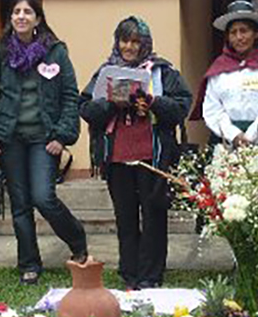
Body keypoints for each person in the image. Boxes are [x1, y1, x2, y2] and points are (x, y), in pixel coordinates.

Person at [0, 0, 88, 284]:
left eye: (28, 12)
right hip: (8, 139)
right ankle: (29, 263)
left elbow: (70, 96)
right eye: (16, 11)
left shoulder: (56, 52)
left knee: (43, 197)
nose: (21, 16)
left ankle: (77, 240)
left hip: (43, 139)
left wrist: (62, 136)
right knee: (21, 203)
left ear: (38, 19)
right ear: (10, 18)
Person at [80, 17, 192, 290]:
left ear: (145, 44)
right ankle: (130, 273)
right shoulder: (105, 71)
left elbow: (181, 107)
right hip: (117, 158)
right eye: (124, 40)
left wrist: (153, 101)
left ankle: (151, 275)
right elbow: (86, 109)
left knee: (154, 217)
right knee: (125, 217)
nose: (129, 46)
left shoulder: (162, 72)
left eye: (135, 41)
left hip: (152, 158)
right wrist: (111, 102)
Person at [191, 0, 258, 155]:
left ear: (255, 34)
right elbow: (212, 107)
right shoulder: (219, 68)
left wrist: (252, 136)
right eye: (233, 32)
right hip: (225, 142)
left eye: (244, 31)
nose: (239, 37)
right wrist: (233, 135)